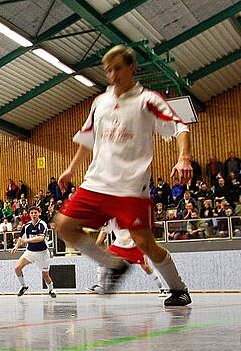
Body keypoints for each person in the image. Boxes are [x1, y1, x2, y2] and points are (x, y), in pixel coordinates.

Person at [55, 45, 192, 307]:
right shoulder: (100, 103)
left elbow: (180, 126)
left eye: (118, 68)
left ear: (131, 68)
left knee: (145, 244)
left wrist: (183, 157)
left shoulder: (147, 100)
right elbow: (87, 140)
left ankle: (178, 289)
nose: (113, 74)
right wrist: (72, 168)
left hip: (131, 187)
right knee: (63, 225)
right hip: (97, 182)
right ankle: (113, 265)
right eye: (108, 70)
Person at [86, 219, 167, 296]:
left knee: (146, 267)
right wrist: (95, 246)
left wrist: (129, 238)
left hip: (135, 245)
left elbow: (138, 230)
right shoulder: (110, 219)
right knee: (103, 259)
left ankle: (162, 288)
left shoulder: (129, 215)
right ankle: (101, 286)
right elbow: (103, 232)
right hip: (119, 246)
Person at [12, 207, 56, 298]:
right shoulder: (26, 226)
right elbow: (20, 238)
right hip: (30, 252)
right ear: (29, 214)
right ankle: (24, 286)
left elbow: (40, 238)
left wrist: (26, 240)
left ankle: (51, 289)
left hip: (42, 253)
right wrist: (16, 246)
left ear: (39, 213)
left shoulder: (42, 224)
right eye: (31, 213)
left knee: (45, 276)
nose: (33, 214)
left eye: (35, 212)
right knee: (17, 268)